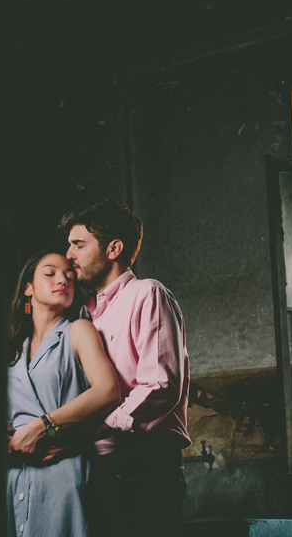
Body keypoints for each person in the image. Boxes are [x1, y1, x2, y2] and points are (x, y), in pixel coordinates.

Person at [60, 200, 191, 537]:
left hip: (143, 467)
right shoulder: (85, 316)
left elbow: (160, 386)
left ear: (113, 248)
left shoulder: (147, 294)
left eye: (79, 245)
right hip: (97, 467)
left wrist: (99, 428)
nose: (68, 255)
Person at [6, 251, 120, 537]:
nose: (63, 280)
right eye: (50, 273)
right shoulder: (11, 347)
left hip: (62, 473)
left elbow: (107, 390)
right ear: (28, 288)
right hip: (12, 475)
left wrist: (42, 426)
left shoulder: (77, 331)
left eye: (70, 276)